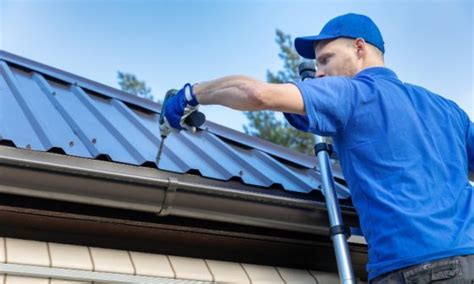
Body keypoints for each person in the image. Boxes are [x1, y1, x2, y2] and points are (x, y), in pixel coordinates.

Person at [163, 13, 474, 283]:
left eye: (326, 59)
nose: (320, 73)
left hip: (413, 268)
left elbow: (256, 94)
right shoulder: (447, 110)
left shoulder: (353, 93)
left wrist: (192, 94)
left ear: (359, 48)